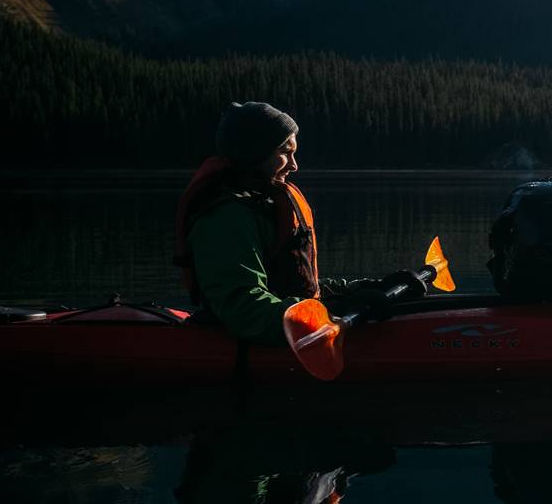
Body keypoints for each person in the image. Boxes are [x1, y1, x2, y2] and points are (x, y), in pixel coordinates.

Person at [174, 101, 422, 346]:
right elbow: (245, 310)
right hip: (251, 342)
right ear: (254, 152)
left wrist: (367, 288)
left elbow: (297, 288)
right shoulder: (225, 218)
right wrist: (327, 315)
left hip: (286, 325)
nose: (294, 165)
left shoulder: (262, 204)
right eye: (285, 152)